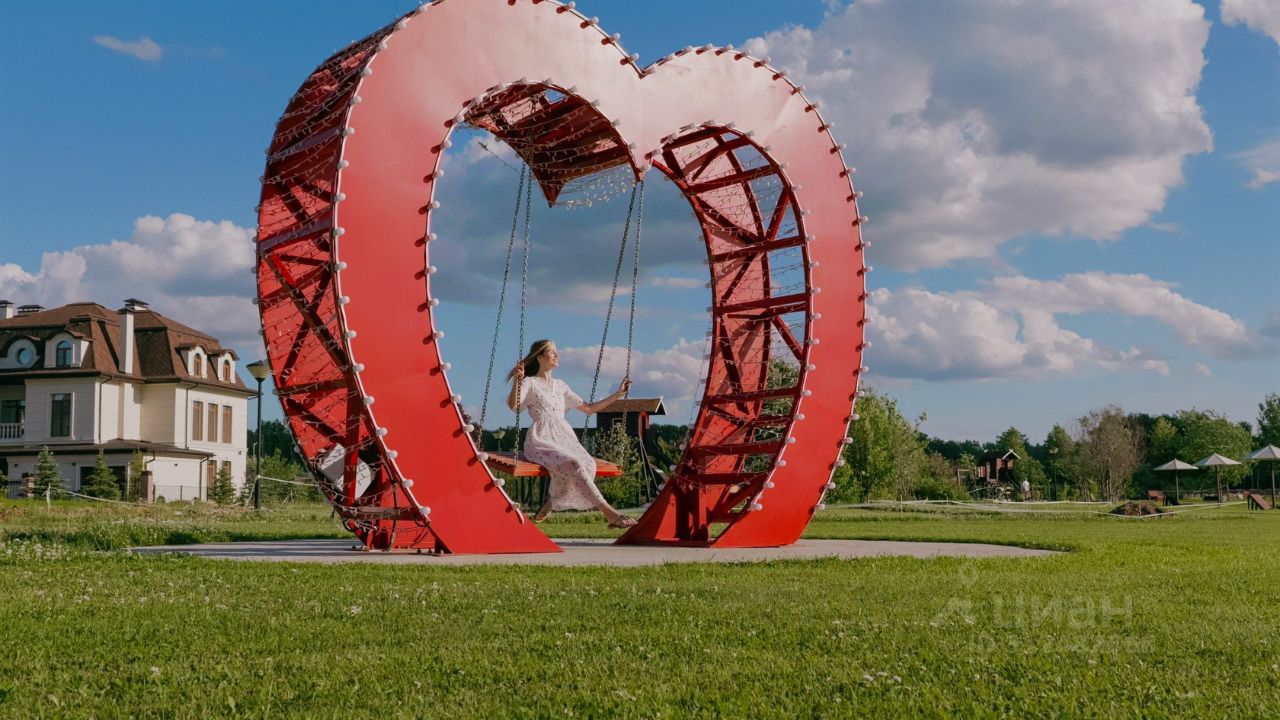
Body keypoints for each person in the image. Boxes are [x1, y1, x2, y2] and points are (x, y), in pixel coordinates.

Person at [507, 339, 637, 528]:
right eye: (552, 352)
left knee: (588, 464)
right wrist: (517, 382)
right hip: (541, 439)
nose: (557, 355)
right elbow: (514, 406)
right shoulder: (530, 382)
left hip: (565, 438)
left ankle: (553, 500)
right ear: (540, 357)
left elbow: (589, 408)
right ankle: (611, 514)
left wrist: (618, 394)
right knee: (574, 464)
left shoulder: (561, 386)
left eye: (556, 351)